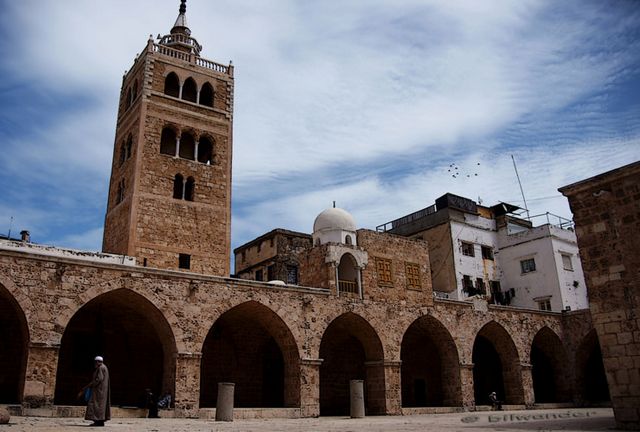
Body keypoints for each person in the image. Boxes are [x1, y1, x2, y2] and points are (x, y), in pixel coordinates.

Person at [78, 356, 111, 427]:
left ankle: (97, 421)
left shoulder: (101, 368)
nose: (95, 363)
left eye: (96, 362)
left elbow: (99, 379)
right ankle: (100, 421)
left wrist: (90, 385)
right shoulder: (104, 367)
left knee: (96, 405)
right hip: (101, 391)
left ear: (98, 362)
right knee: (100, 406)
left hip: (99, 390)